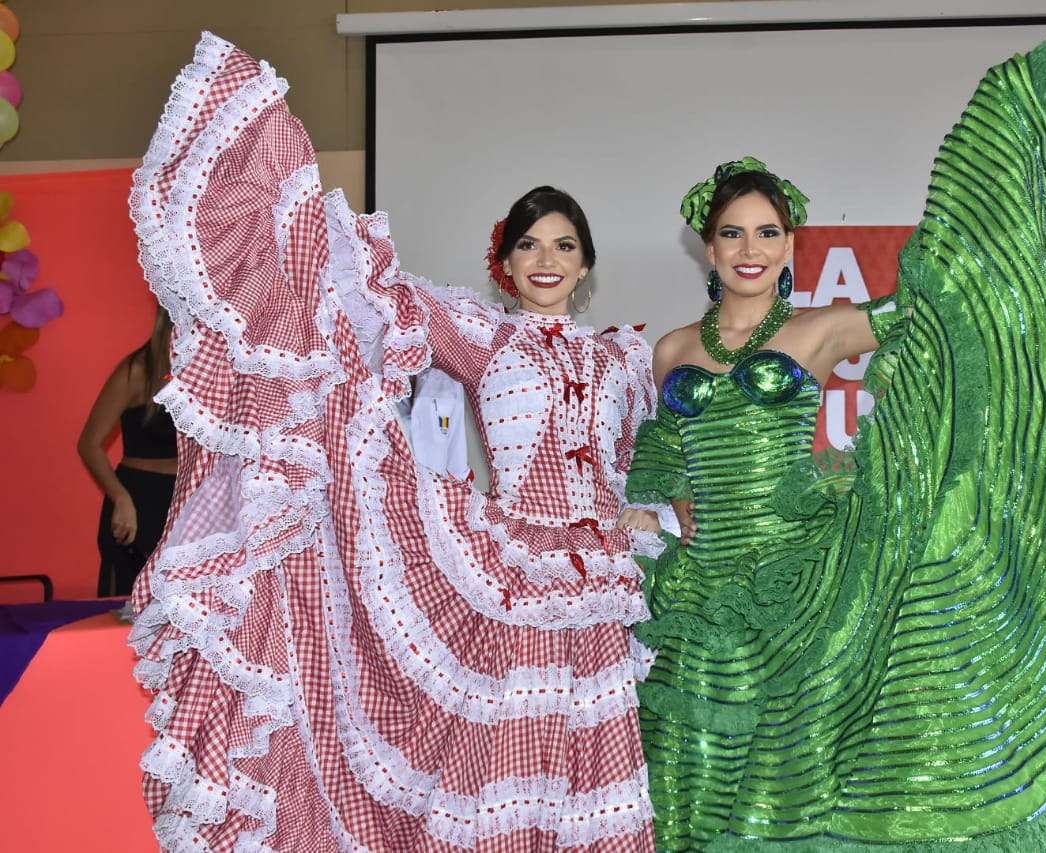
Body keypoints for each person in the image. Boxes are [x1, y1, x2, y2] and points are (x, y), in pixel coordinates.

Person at [626, 36, 1046, 852]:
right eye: (733, 233)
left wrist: (977, 249)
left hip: (800, 571)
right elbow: (659, 439)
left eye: (767, 232)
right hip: (702, 585)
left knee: (800, 766)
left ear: (791, 243)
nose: (750, 249)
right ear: (709, 244)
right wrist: (660, 496)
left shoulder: (820, 331)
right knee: (701, 760)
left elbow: (934, 314)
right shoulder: (671, 349)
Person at [128, 34, 660, 852]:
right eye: (528, 244)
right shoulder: (479, 333)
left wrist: (656, 518)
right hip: (513, 577)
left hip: (603, 582)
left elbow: (638, 461)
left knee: (594, 781)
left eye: (563, 245)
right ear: (505, 263)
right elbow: (357, 291)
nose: (546, 260)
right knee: (504, 773)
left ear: (587, 263)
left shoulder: (625, 355)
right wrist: (291, 197)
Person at [77, 307, 177, 597]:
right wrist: (120, 498)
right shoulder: (138, 370)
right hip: (138, 502)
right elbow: (89, 444)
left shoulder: (205, 371)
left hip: (184, 501)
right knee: (126, 612)